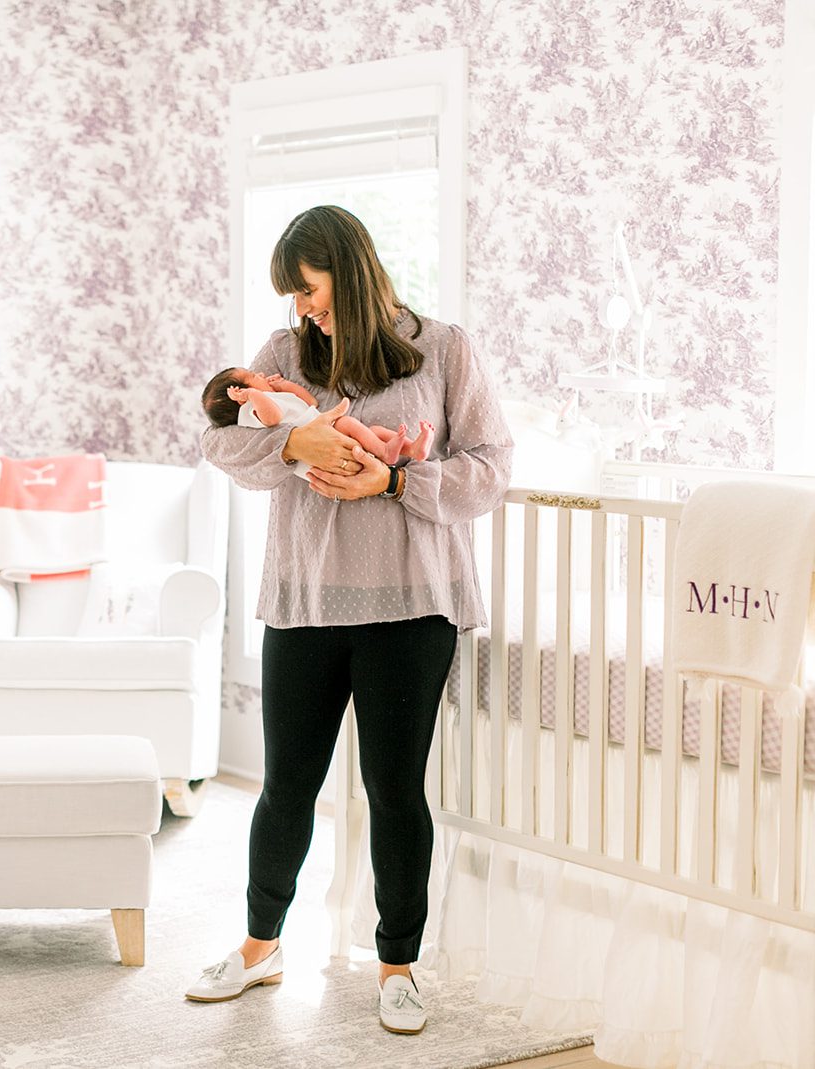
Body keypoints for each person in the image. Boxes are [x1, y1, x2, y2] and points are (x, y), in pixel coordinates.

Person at [185, 205, 512, 1035]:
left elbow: (490, 470)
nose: (301, 306)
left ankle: (398, 968)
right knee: (286, 785)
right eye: (292, 293)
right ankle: (260, 949)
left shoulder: (444, 348)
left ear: (349, 267)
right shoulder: (288, 354)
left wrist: (396, 484)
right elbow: (220, 441)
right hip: (306, 601)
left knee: (393, 791)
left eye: (308, 286)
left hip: (410, 605)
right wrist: (294, 448)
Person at [201, 366, 435, 468]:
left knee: (375, 432)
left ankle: (412, 449)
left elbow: (309, 402)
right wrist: (253, 394)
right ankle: (386, 453)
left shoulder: (274, 397)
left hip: (326, 431)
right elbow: (272, 418)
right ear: (241, 396)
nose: (260, 374)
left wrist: (285, 385)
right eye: (253, 376)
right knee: (349, 423)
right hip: (327, 437)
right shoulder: (252, 411)